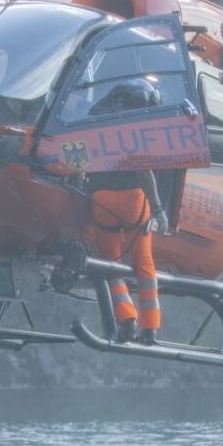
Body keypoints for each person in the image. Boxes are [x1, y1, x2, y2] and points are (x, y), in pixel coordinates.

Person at [85, 78, 169, 345]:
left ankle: (127, 322)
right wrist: (157, 209)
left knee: (112, 266)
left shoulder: (95, 127)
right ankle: (150, 328)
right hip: (133, 201)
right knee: (144, 264)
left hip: (102, 202)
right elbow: (145, 172)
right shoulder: (136, 132)